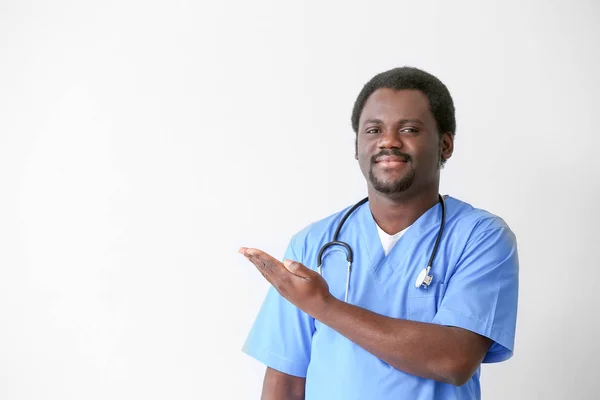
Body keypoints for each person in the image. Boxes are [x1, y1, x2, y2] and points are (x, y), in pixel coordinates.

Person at [239, 66, 519, 400]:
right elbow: (285, 381)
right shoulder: (312, 245)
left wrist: (323, 306)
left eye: (410, 129)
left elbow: (454, 360)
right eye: (373, 130)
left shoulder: (480, 238)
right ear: (357, 147)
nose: (388, 141)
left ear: (445, 145)